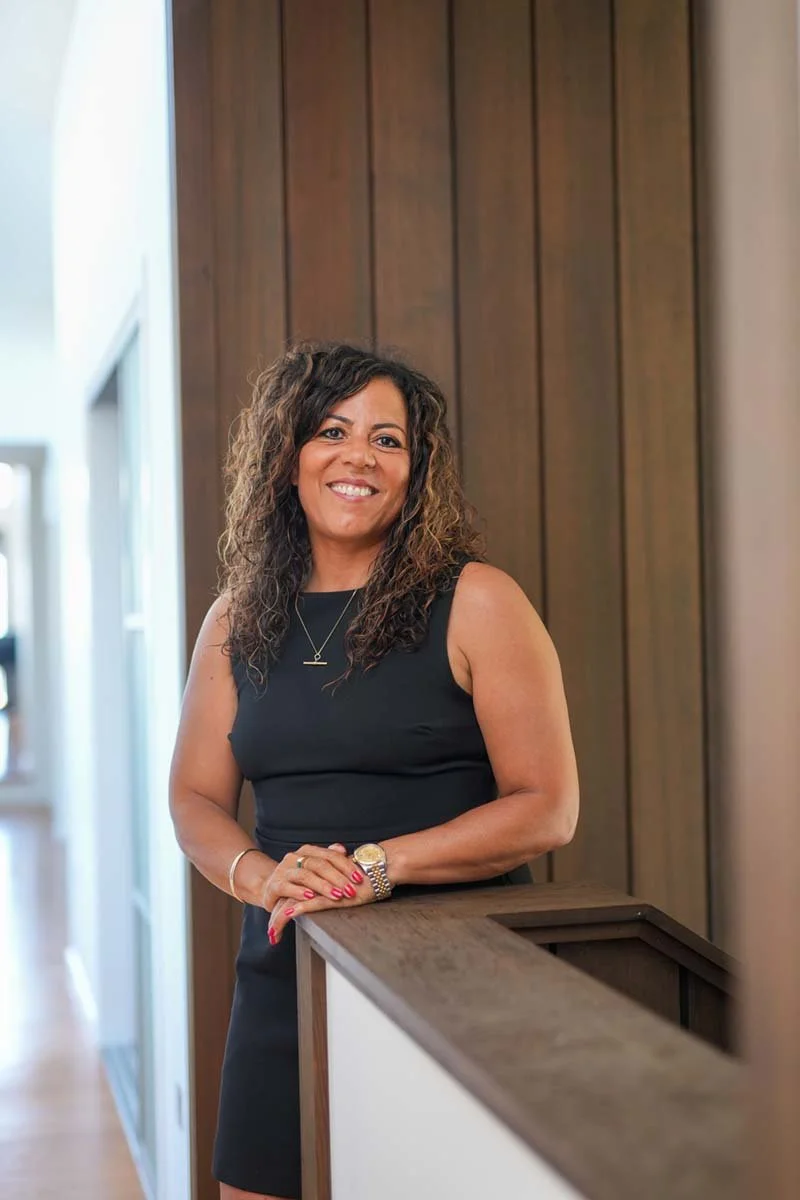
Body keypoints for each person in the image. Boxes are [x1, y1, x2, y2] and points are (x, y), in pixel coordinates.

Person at [169, 342, 579, 1200]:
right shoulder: (236, 618)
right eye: (331, 430)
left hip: (461, 972)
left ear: (416, 469)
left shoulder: (479, 601)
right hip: (288, 959)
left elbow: (546, 808)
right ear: (288, 457)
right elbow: (195, 796)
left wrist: (373, 869)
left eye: (387, 440)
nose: (358, 456)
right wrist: (260, 876)